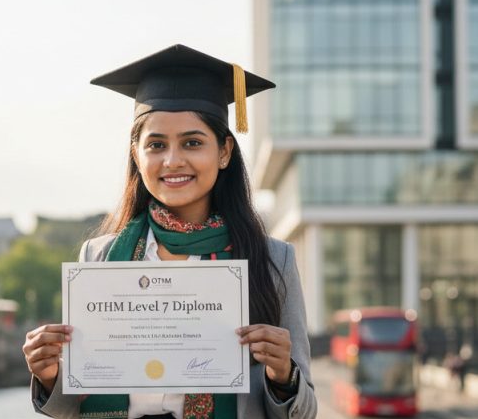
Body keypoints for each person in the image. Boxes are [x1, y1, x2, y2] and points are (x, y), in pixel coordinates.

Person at [22, 44, 317, 418]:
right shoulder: (98, 257)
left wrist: (283, 374)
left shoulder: (272, 259)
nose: (173, 161)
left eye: (193, 143)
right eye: (156, 145)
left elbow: (305, 410)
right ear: (136, 154)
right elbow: (71, 405)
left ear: (224, 151)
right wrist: (49, 376)